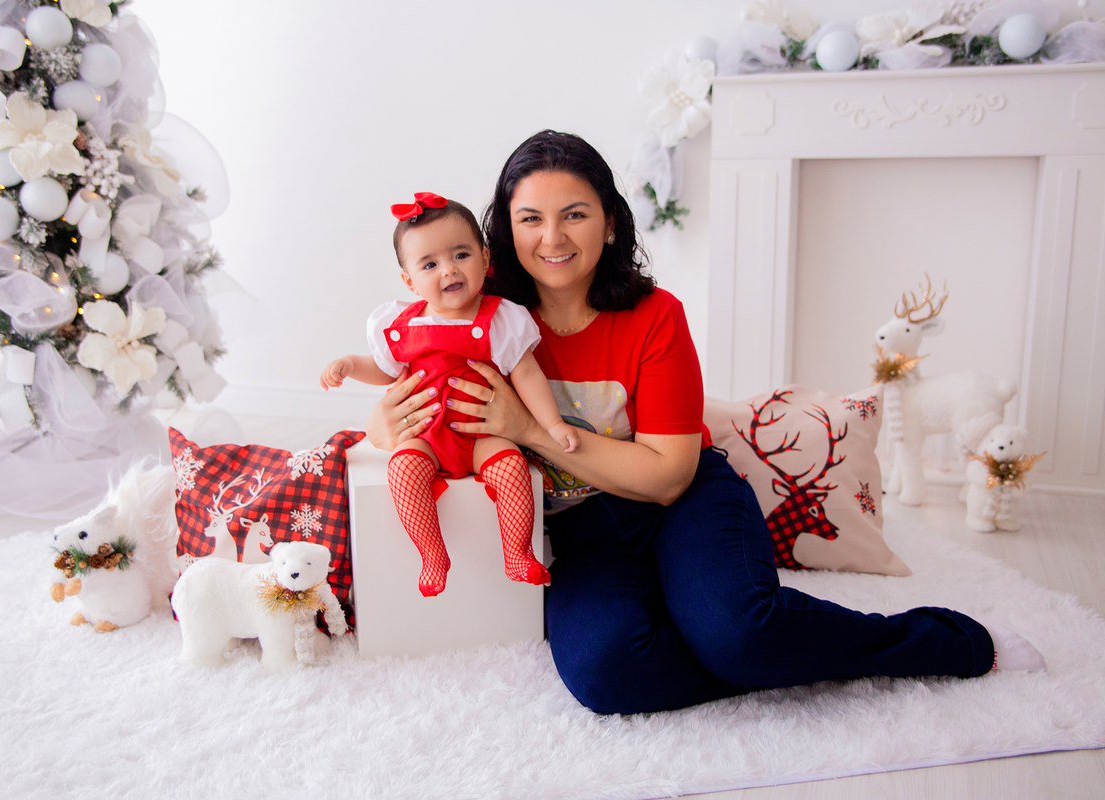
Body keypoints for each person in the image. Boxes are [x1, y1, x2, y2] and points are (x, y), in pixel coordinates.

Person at [363, 132, 1046, 714]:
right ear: (501, 235)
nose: (552, 237)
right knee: (607, 674)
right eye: (530, 219)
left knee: (745, 633)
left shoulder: (655, 316)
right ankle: (737, 643)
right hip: (578, 533)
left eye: (574, 214)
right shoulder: (479, 317)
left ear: (608, 221)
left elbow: (668, 476)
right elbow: (405, 398)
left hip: (683, 505)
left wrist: (532, 430)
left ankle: (938, 641)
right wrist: (389, 420)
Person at [321, 192, 579, 597]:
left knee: (510, 470)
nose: (448, 270)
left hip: (481, 432)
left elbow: (528, 375)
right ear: (409, 280)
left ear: (485, 258)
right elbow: (386, 370)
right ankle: (431, 553)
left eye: (461, 255)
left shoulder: (501, 319)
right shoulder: (400, 322)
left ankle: (517, 551)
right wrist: (352, 366)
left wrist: (552, 423)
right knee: (403, 471)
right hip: (426, 434)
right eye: (430, 264)